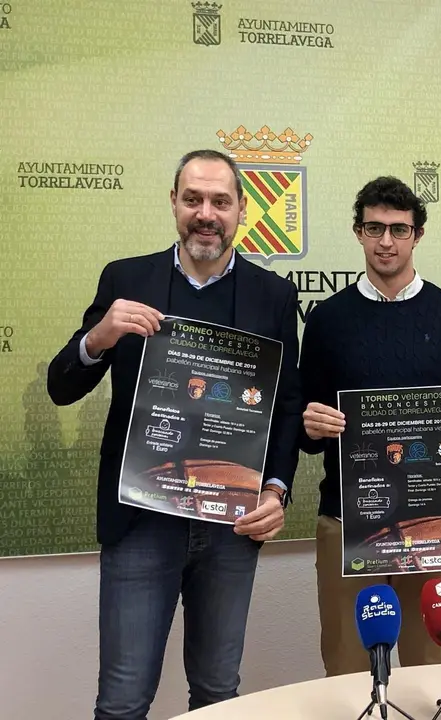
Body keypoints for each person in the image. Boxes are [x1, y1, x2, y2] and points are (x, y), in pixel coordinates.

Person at [47, 149, 302, 719]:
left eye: (220, 201)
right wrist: (100, 337)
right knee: (122, 699)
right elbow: (60, 387)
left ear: (240, 210)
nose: (205, 214)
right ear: (173, 203)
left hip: (232, 527)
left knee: (217, 696)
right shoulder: (126, 280)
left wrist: (276, 489)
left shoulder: (274, 296)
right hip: (141, 523)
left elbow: (285, 408)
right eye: (193, 199)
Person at [299, 176, 441, 676]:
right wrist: (311, 423)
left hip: (432, 519)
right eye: (374, 228)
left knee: (429, 662)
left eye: (398, 229)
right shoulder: (326, 318)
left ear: (418, 234)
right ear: (358, 232)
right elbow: (302, 430)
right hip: (348, 517)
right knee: (349, 665)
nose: (386, 241)